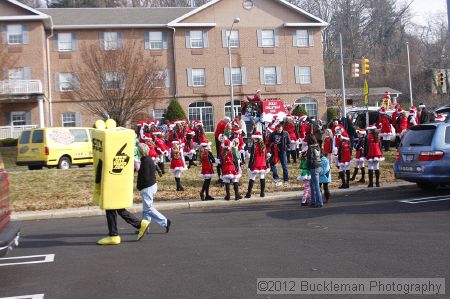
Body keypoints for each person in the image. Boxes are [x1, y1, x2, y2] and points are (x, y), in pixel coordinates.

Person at [137, 143, 171, 234]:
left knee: (148, 209)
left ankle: (165, 222)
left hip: (147, 187)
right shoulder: (148, 160)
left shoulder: (145, 162)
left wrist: (139, 186)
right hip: (150, 186)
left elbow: (146, 177)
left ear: (140, 152)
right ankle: (144, 227)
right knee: (146, 209)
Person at [245, 132, 269, 198]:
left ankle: (249, 193)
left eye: (254, 138)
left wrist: (249, 166)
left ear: (256, 138)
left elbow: (252, 157)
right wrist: (267, 165)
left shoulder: (254, 146)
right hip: (263, 164)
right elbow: (266, 157)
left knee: (252, 178)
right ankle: (262, 193)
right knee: (262, 177)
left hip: (256, 164)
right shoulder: (264, 146)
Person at [306, 135, 323, 208]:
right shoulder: (318, 146)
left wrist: (308, 167)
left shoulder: (310, 148)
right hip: (319, 165)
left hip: (313, 167)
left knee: (315, 186)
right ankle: (313, 201)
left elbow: (310, 159)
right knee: (313, 185)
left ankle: (319, 202)